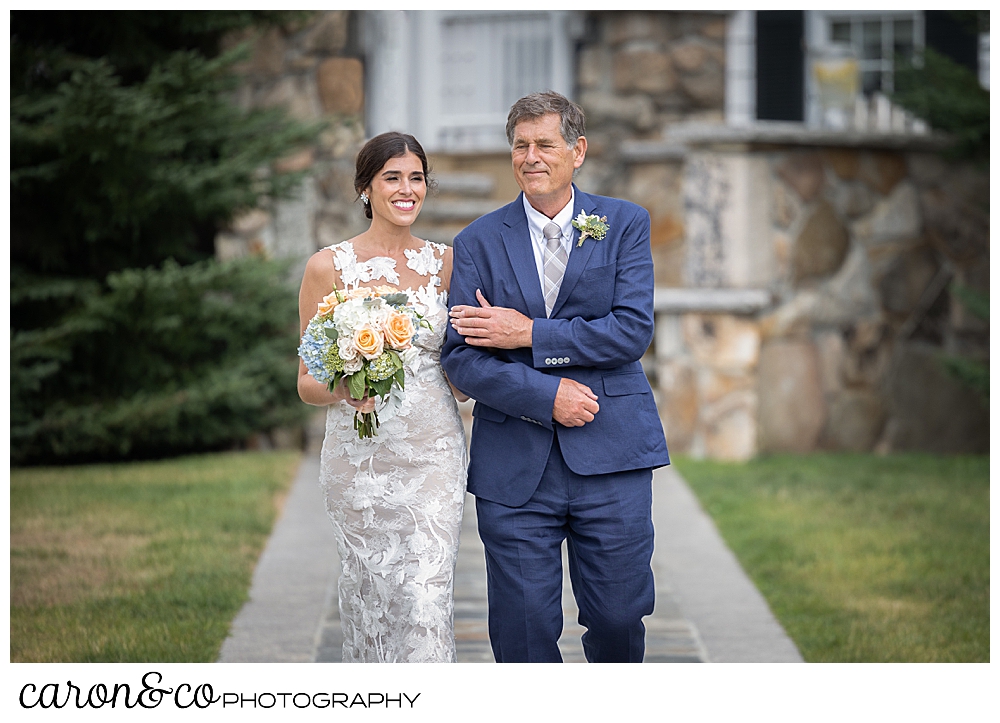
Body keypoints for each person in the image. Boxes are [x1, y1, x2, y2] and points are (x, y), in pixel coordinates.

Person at [441, 91, 670, 663]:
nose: (531, 156)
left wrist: (528, 336)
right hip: (515, 465)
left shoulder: (623, 224)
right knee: (521, 635)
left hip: (612, 451)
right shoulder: (477, 241)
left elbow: (631, 331)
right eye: (520, 145)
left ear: (578, 151)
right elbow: (461, 357)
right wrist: (548, 396)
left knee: (619, 618)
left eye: (545, 143)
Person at [296, 132, 469, 663]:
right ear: (365, 188)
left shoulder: (448, 263)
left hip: (433, 454)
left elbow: (460, 365)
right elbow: (307, 381)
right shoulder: (328, 268)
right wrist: (350, 387)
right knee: (371, 602)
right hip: (359, 459)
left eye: (416, 177)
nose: (406, 189)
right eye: (392, 177)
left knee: (424, 600)